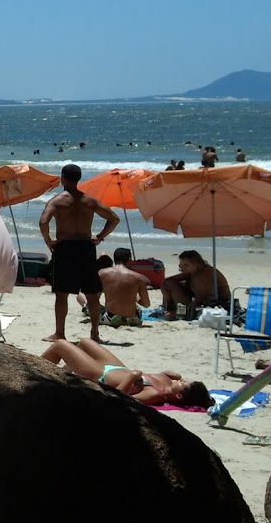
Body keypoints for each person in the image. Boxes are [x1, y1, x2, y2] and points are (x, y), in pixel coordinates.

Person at [38, 163, 119, 342]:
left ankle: (60, 333)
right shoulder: (90, 201)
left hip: (65, 248)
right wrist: (100, 237)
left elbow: (43, 222)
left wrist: (49, 242)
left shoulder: (57, 201)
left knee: (62, 293)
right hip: (85, 247)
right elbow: (114, 219)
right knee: (91, 293)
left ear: (63, 178)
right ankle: (95, 333)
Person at [40, 338, 212, 408]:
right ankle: (63, 374)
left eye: (184, 384)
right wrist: (170, 376)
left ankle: (30, 369)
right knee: (85, 342)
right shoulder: (170, 382)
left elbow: (117, 398)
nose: (183, 380)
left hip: (102, 376)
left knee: (60, 345)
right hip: (115, 367)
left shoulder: (154, 395)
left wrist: (132, 377)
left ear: (179, 396)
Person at [81, 248, 151, 327]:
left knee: (81, 298)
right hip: (131, 319)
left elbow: (94, 297)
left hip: (111, 318)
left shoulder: (102, 273)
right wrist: (135, 297)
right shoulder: (139, 278)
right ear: (129, 260)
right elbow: (146, 304)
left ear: (114, 259)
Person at [161, 249, 231, 320]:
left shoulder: (204, 274)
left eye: (186, 265)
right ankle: (169, 309)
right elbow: (169, 280)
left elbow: (200, 299)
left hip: (217, 303)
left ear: (197, 264)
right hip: (202, 300)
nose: (182, 268)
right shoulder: (193, 271)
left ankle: (182, 313)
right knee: (169, 283)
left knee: (172, 284)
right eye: (180, 265)